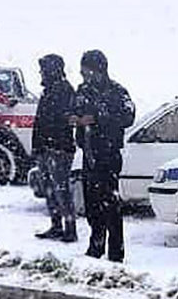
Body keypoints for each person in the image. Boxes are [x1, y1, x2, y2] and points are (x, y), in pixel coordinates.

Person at [72, 50, 135, 261]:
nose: (83, 75)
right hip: (88, 154)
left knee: (110, 204)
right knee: (92, 205)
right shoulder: (83, 90)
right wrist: (75, 119)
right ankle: (95, 245)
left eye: (86, 71)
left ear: (99, 70)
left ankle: (116, 252)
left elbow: (128, 116)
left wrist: (98, 117)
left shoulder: (117, 92)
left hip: (108, 154)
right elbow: (74, 110)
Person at [33, 54, 78, 242]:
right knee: (50, 188)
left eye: (43, 70)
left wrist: (52, 143)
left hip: (59, 149)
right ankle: (56, 225)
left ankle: (70, 228)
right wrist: (37, 146)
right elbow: (40, 121)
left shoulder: (64, 90)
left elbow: (62, 120)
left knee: (61, 189)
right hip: (46, 147)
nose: (40, 74)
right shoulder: (48, 90)